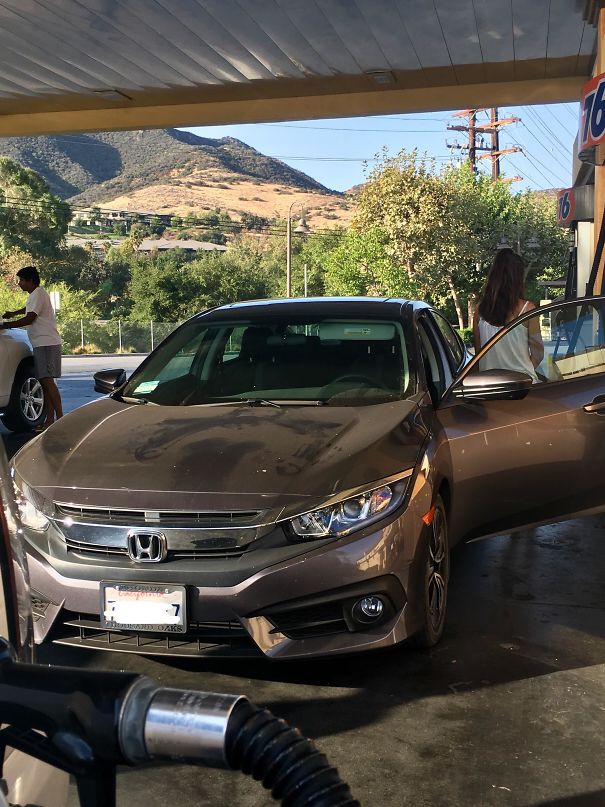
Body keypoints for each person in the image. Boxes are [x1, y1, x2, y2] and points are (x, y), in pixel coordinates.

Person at [1, 266, 63, 430]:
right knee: (45, 382)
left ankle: (60, 419)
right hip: (42, 343)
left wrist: (5, 325)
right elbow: (29, 309)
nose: (19, 283)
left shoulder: (38, 294)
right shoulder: (35, 295)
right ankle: (50, 420)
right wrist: (13, 313)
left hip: (47, 343)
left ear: (30, 280)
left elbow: (30, 318)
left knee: (48, 382)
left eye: (21, 280)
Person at [472, 248, 544, 382]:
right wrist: (524, 372)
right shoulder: (527, 309)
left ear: (493, 276)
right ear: (518, 278)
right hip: (522, 387)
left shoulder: (479, 311)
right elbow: (538, 354)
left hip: (489, 387)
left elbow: (478, 356)